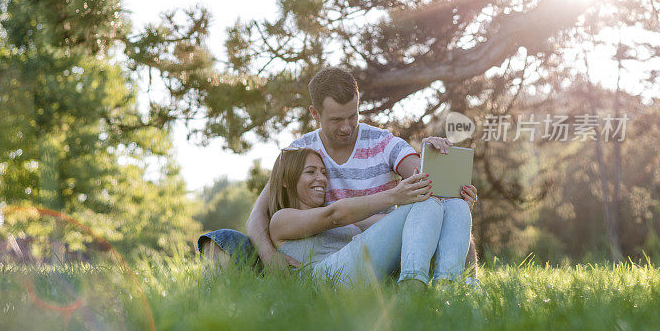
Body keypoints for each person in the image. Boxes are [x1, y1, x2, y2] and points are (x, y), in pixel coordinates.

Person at [198, 66, 479, 279]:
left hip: (374, 244)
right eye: (336, 120)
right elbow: (260, 214)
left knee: (451, 213)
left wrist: (438, 165)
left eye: (353, 116)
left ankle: (453, 287)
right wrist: (271, 258)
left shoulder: (382, 142)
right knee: (223, 240)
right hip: (313, 250)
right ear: (315, 114)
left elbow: (421, 177)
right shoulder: (299, 152)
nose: (347, 127)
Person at [267, 146, 469, 287]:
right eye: (311, 172)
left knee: (455, 205)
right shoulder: (280, 219)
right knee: (425, 203)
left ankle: (448, 288)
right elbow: (334, 216)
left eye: (322, 172)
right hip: (323, 282)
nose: (321, 178)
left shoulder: (344, 215)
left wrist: (448, 207)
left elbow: (403, 225)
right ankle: (412, 286)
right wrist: (394, 196)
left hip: (359, 277)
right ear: (286, 180)